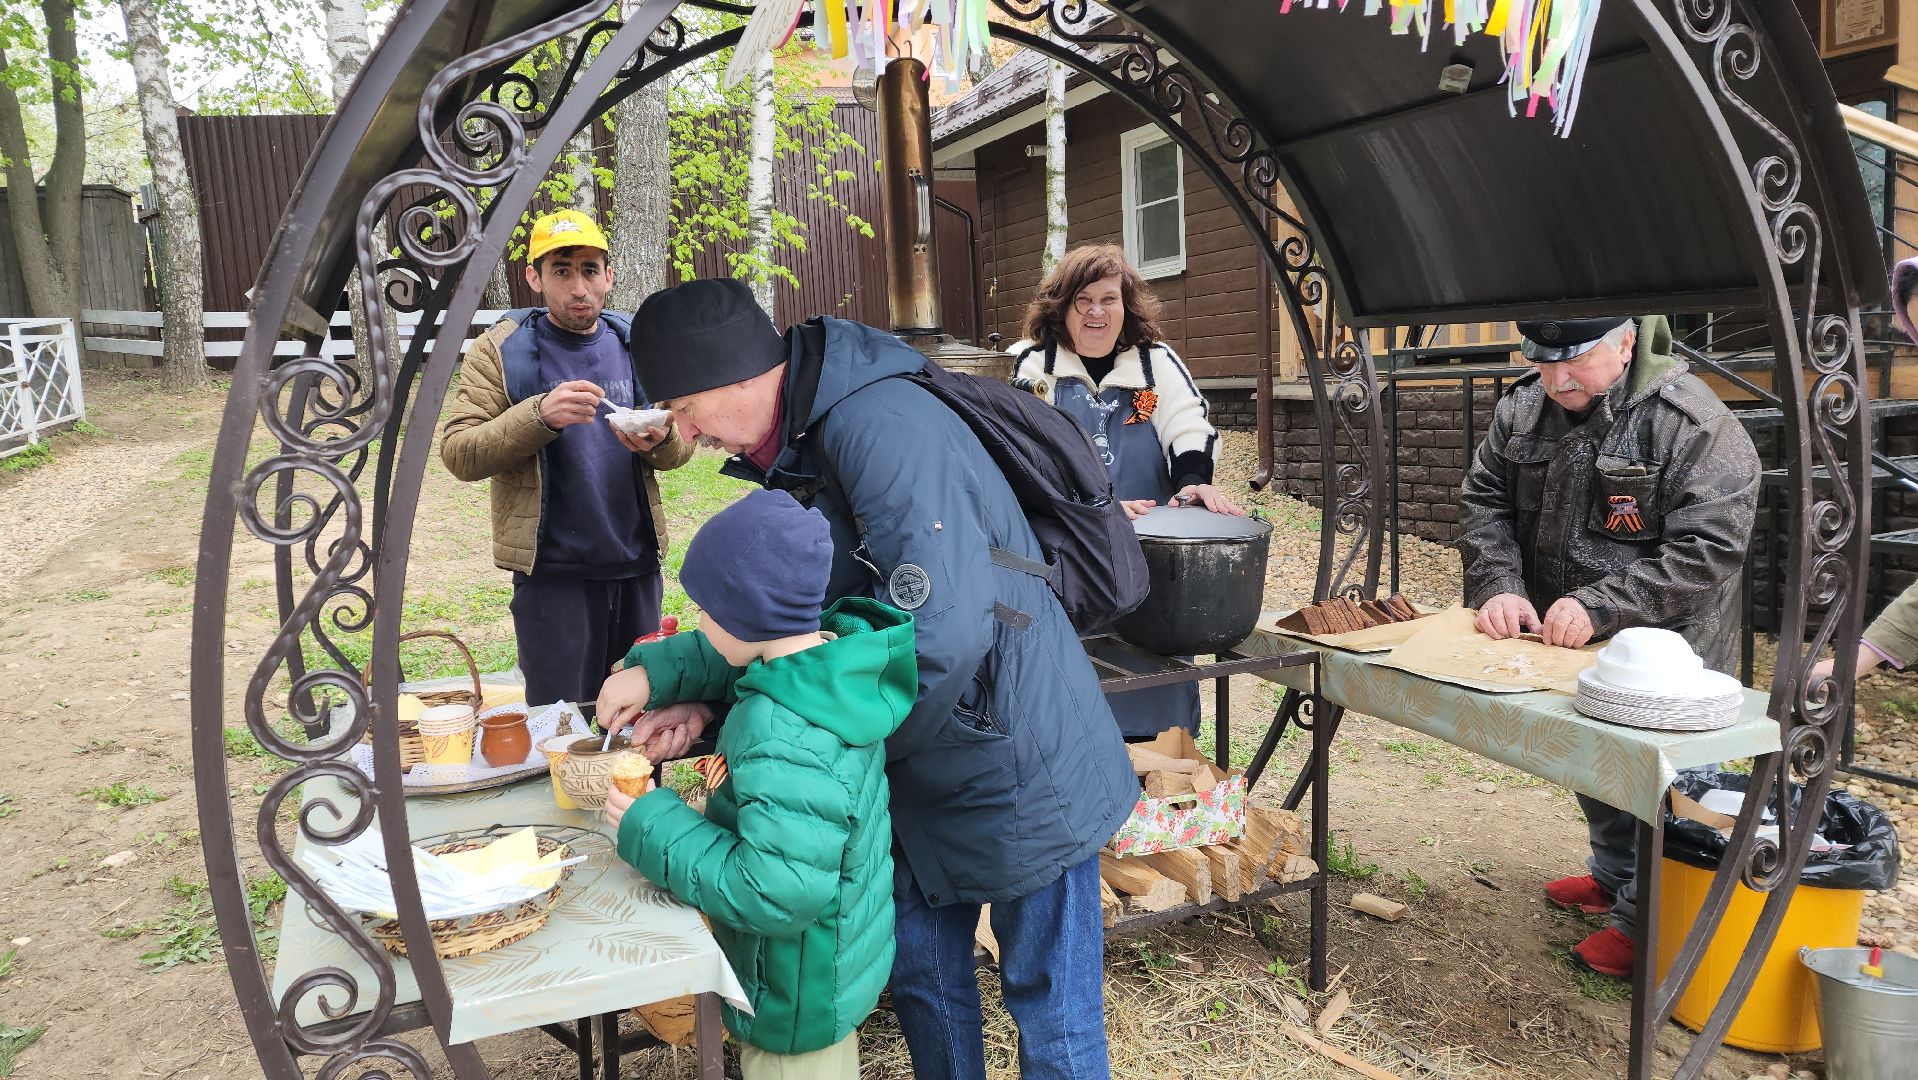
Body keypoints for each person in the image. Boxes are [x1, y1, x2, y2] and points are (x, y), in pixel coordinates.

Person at [606, 277, 1136, 1080]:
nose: (685, 433)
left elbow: (944, 630)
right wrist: (690, 686)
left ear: (742, 377)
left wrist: (830, 746)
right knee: (925, 979)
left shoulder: (875, 423)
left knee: (1052, 1012)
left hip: (1019, 748)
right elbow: (798, 620)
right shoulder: (801, 435)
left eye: (685, 408)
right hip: (919, 753)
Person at [1457, 315, 1760, 978]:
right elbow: (1484, 501)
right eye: (1542, 361)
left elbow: (1709, 549)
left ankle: (1649, 920)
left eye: (1577, 361)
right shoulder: (1525, 407)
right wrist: (1500, 586)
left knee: (1665, 782)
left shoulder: (1694, 424)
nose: (1557, 378)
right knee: (1591, 761)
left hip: (1670, 645)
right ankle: (1615, 876)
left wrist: (1599, 606)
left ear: (1627, 343)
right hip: (1564, 634)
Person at [599, 487, 916, 1080]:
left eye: (708, 610)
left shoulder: (784, 736)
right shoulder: (824, 665)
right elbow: (726, 655)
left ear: (748, 615)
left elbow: (776, 891)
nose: (699, 622)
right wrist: (655, 675)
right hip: (824, 965)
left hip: (791, 990)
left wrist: (651, 824)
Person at [439, 209, 692, 711]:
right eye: (561, 271)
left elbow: (681, 443)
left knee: (637, 716)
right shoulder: (502, 350)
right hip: (552, 573)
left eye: (590, 270)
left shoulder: (635, 344)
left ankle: (635, 795)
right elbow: (459, 451)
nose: (579, 287)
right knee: (561, 724)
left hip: (636, 565)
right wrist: (540, 415)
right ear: (535, 277)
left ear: (608, 276)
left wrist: (660, 440)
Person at [1007, 243, 1244, 738]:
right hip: (1062, 566)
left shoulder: (1153, 368)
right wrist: (1092, 511)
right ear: (1061, 305)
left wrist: (1195, 481)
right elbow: (1019, 457)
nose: (1097, 312)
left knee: (1156, 698)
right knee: (1066, 707)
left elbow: (1185, 426)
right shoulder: (1031, 369)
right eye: (1083, 299)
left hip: (1152, 571)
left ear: (1127, 304)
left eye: (1109, 299)